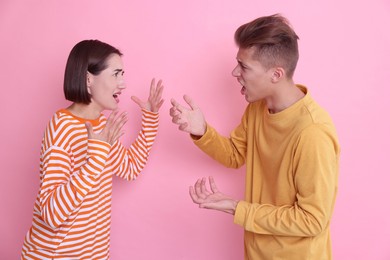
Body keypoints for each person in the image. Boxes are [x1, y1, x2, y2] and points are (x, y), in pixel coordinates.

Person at [170, 14, 340, 260]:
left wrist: (236, 207)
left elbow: (313, 220)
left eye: (244, 66)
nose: (234, 72)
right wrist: (201, 130)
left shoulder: (313, 133)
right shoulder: (257, 109)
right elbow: (235, 154)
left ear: (276, 74)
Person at [21, 39, 164, 259]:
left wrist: (150, 119)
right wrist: (96, 159)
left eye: (123, 74)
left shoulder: (100, 125)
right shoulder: (62, 127)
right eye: (116, 74)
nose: (123, 83)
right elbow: (51, 213)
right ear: (89, 79)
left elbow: (130, 168)